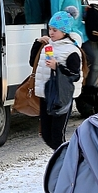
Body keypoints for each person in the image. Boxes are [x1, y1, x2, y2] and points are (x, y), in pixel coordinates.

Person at [30, 11, 82, 150]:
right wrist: (37, 44)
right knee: (46, 134)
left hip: (61, 96)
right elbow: (32, 63)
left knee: (57, 135)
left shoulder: (71, 50)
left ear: (64, 32)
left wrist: (57, 67)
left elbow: (75, 75)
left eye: (55, 30)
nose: (51, 33)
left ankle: (66, 162)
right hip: (46, 94)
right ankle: (61, 159)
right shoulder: (47, 46)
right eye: (50, 29)